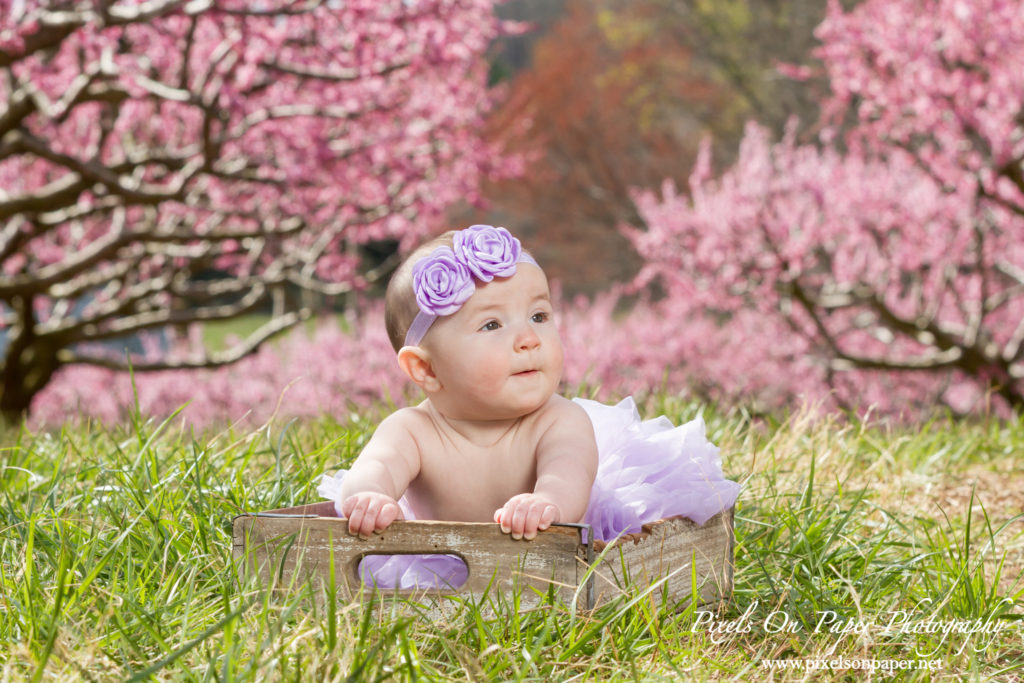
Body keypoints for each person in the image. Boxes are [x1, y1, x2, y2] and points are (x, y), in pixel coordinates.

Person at [319, 225, 739, 587]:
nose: (529, 338)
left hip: (556, 561)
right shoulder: (410, 430)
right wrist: (370, 498)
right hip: (446, 564)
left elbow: (567, 474)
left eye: (539, 316)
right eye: (492, 324)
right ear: (425, 369)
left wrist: (548, 503)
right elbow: (375, 469)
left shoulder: (558, 420)